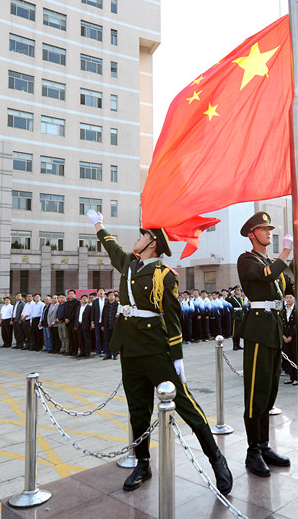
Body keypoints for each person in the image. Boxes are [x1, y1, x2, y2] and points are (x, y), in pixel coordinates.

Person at [87, 209, 233, 495]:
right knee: (137, 410)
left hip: (154, 347)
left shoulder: (165, 275)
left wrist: (176, 355)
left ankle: (216, 459)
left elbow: (173, 315)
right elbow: (112, 247)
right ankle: (143, 464)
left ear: (153, 243)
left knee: (186, 404)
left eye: (143, 235)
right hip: (129, 346)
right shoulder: (129, 264)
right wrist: (99, 225)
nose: (138, 238)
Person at [235, 211, 293, 477]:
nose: (269, 232)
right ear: (252, 234)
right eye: (263, 229)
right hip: (258, 330)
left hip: (273, 328)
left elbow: (288, 285)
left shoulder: (270, 261)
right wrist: (286, 252)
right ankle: (252, 451)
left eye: (270, 229)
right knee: (256, 393)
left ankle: (264, 445)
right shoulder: (247, 260)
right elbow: (268, 275)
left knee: (269, 391)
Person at [281, 294, 298, 385]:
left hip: (294, 337)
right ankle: (291, 377)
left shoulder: (296, 310)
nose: (288, 299)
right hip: (285, 337)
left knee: (295, 357)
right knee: (288, 357)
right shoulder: (283, 310)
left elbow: (296, 324)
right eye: (287, 298)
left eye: (290, 297)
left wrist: (291, 336)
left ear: (294, 298)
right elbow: (280, 323)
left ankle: (297, 377)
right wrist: (283, 336)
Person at [227, 286, 246, 350]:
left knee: (239, 331)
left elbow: (242, 308)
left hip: (240, 316)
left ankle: (238, 344)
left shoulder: (240, 298)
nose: (239, 292)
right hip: (236, 316)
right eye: (237, 290)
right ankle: (234, 345)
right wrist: (231, 293)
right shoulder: (233, 298)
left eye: (239, 290)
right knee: (235, 331)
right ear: (234, 291)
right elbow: (227, 298)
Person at [101, 290, 118, 360]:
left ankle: (115, 354)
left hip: (115, 326)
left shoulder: (117, 305)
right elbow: (103, 316)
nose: (111, 296)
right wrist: (102, 325)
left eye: (112, 295)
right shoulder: (106, 305)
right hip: (107, 325)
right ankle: (108, 354)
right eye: (110, 295)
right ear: (107, 297)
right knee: (107, 340)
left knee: (114, 340)